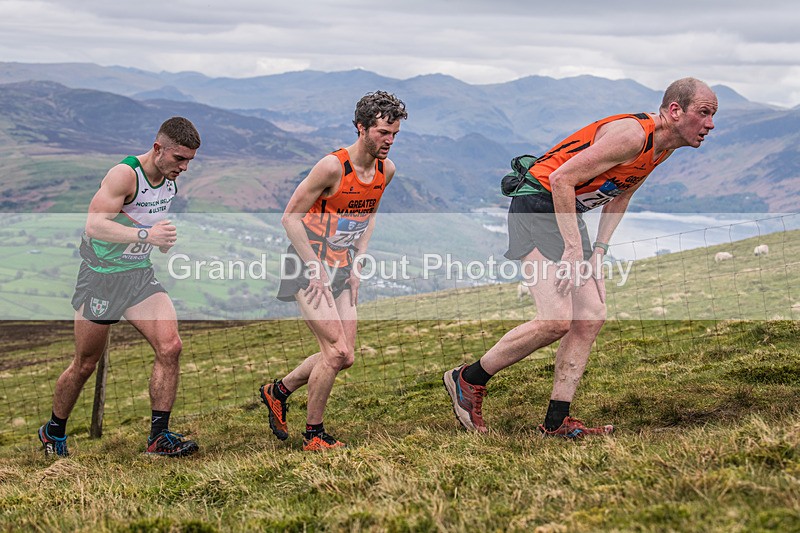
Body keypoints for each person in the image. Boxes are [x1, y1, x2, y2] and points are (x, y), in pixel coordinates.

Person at [444, 77, 718, 438]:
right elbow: (560, 179)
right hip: (538, 205)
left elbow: (621, 193)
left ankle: (556, 422)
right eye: (704, 113)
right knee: (555, 320)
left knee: (590, 316)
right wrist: (574, 249)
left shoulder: (662, 147)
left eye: (713, 115)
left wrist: (598, 252)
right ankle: (468, 378)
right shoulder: (634, 135)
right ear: (674, 110)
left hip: (564, 213)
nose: (710, 124)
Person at [38, 117, 202, 457]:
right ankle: (53, 431)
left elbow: (145, 222)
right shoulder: (124, 175)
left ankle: (158, 437)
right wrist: (147, 235)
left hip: (138, 275)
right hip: (101, 277)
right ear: (158, 149)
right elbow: (95, 225)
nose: (184, 167)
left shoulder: (170, 181)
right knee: (85, 363)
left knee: (170, 347)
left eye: (189, 160)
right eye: (179, 159)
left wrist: (160, 241)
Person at [260, 91, 407, 451]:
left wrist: (357, 263)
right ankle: (314, 434)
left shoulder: (385, 170)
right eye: (383, 133)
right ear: (361, 128)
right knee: (335, 352)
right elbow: (289, 218)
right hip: (306, 261)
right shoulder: (331, 167)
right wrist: (314, 269)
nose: (389, 141)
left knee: (346, 355)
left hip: (342, 264)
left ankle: (278, 391)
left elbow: (368, 215)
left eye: (395, 134)